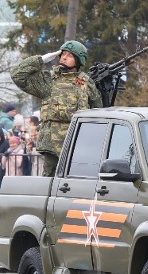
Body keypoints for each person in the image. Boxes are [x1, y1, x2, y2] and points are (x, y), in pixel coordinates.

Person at [11, 40, 102, 176]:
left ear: (78, 60)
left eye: (69, 55)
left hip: (77, 146)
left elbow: (98, 111)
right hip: (51, 148)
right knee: (50, 186)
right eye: (63, 54)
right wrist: (41, 59)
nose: (64, 57)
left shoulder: (86, 83)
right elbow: (17, 75)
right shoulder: (49, 81)